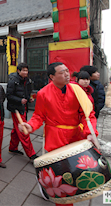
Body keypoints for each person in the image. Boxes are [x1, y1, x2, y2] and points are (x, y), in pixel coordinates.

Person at [18, 62, 98, 206]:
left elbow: (87, 114)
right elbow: (38, 116)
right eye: (62, 72)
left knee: (78, 173)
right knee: (61, 178)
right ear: (52, 77)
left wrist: (90, 132)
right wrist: (30, 126)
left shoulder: (77, 90)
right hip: (55, 138)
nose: (67, 74)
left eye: (67, 71)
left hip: (75, 137)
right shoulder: (43, 93)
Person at [6, 63, 38, 160]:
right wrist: (19, 100)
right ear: (18, 71)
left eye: (26, 70)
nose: (25, 72)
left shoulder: (27, 81)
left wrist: (29, 99)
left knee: (16, 130)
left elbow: (26, 94)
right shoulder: (13, 81)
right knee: (24, 131)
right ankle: (31, 154)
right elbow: (8, 95)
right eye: (23, 70)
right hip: (16, 109)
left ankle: (12, 148)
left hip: (23, 107)